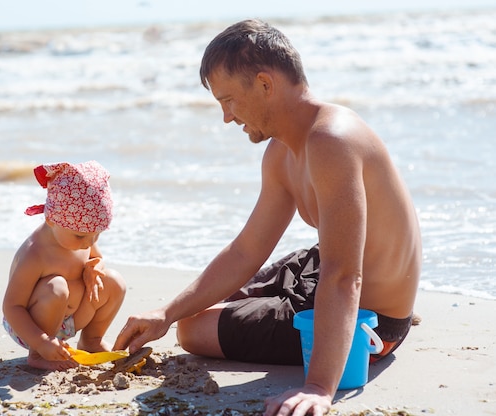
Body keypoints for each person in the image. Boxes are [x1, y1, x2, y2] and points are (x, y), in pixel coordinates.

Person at [114, 19, 421, 416]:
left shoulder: (332, 141)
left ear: (264, 84)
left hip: (372, 322)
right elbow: (246, 250)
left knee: (193, 330)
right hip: (321, 270)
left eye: (228, 100)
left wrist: (318, 387)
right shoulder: (282, 153)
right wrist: (165, 312)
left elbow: (346, 275)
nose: (226, 117)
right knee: (189, 314)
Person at [3, 161, 126, 371]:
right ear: (51, 219)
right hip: (31, 328)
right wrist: (41, 341)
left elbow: (96, 258)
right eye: (81, 236)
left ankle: (91, 340)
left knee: (114, 281)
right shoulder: (36, 254)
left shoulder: (80, 234)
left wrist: (95, 267)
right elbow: (12, 307)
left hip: (71, 319)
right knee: (56, 287)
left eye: (96, 234)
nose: (89, 242)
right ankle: (38, 355)